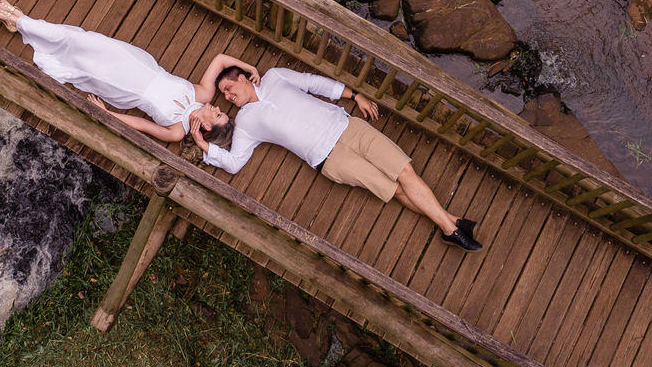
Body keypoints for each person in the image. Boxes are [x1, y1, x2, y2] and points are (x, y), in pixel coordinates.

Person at [190, 66, 482, 251]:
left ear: (242, 78)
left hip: (349, 127)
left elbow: (313, 83)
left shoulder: (275, 76)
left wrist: (354, 96)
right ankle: (451, 225)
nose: (227, 96)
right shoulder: (245, 123)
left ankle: (450, 228)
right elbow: (235, 163)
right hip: (330, 159)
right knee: (396, 190)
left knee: (405, 171)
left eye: (228, 88)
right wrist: (203, 144)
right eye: (224, 95)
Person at [0, 0, 250, 142]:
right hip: (137, 62)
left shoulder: (176, 132)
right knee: (83, 39)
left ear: (206, 125)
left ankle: (19, 21)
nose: (218, 107)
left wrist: (107, 113)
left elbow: (140, 124)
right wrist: (250, 69)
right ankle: (23, 21)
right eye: (221, 110)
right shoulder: (204, 94)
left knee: (81, 63)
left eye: (218, 115)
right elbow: (219, 60)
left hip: (123, 88)